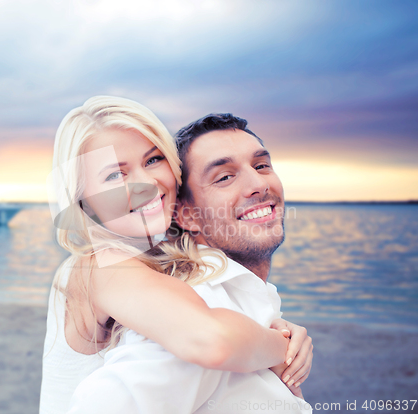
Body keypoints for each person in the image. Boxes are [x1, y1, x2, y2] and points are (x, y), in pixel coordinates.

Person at [40, 98, 312, 414]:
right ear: (83, 202)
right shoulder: (97, 265)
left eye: (153, 160)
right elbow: (211, 339)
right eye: (115, 175)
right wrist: (283, 344)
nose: (146, 183)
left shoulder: (162, 266)